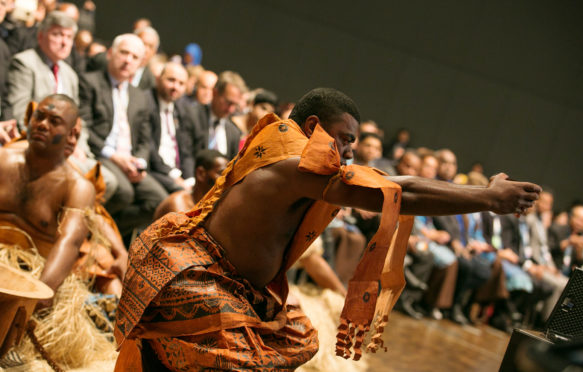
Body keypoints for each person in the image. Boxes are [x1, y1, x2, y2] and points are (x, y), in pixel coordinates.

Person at [114, 88, 541, 371]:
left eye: (354, 142)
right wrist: (486, 198)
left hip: (228, 279)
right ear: (314, 126)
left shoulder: (283, 142)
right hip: (191, 274)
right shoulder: (297, 160)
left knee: (298, 338)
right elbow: (394, 192)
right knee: (251, 361)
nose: (349, 150)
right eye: (345, 138)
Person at [0, 94, 95, 304]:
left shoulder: (77, 187)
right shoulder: (3, 159)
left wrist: (37, 297)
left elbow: (69, 244)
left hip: (33, 276)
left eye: (54, 122)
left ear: (71, 135)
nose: (42, 125)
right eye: (39, 117)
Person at [79, 33, 167, 238]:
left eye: (135, 57)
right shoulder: (90, 83)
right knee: (124, 191)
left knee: (159, 201)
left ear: (140, 63)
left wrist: (141, 163)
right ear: (110, 54)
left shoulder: (139, 96)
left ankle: (108, 233)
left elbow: (145, 139)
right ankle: (96, 233)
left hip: (130, 161)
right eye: (124, 53)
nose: (128, 60)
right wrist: (114, 156)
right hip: (103, 153)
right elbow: (85, 127)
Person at [6, 11, 78, 127]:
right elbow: (20, 114)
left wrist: (79, 144)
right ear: (40, 36)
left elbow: (76, 118)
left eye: (69, 37)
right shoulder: (24, 63)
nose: (64, 42)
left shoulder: (71, 75)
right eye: (58, 34)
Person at [148, 62, 203, 193]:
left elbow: (186, 150)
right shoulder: (146, 102)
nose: (175, 87)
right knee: (181, 195)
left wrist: (190, 179)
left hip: (177, 174)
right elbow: (149, 148)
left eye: (181, 83)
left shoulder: (182, 110)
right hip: (155, 169)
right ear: (158, 79)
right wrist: (174, 175)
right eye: (171, 80)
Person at [154, 149, 228, 220]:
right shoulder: (179, 205)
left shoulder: (217, 205)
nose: (226, 179)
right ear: (201, 173)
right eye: (221, 173)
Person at [192, 70, 245, 160]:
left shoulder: (234, 133)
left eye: (234, 105)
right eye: (228, 102)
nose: (231, 109)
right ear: (215, 93)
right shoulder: (193, 116)